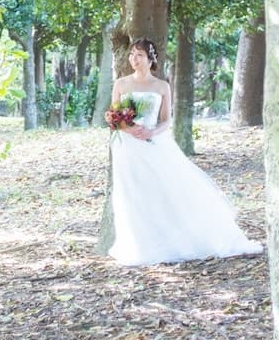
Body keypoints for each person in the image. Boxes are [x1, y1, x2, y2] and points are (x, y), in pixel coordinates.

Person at [107, 37, 262, 265]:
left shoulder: (161, 86)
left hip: (154, 143)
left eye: (139, 55)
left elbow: (166, 120)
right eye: (131, 55)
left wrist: (151, 132)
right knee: (131, 192)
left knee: (163, 190)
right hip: (127, 145)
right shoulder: (121, 84)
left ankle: (171, 239)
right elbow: (113, 115)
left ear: (151, 59)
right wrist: (127, 127)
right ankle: (137, 243)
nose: (134, 59)